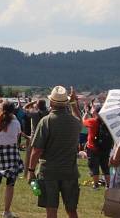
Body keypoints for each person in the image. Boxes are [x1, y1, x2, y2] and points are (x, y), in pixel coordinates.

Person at [27, 86, 83, 218]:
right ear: (66, 103)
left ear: (51, 103)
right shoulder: (74, 122)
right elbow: (79, 120)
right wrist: (74, 104)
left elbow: (37, 150)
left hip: (49, 172)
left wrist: (30, 171)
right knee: (72, 210)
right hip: (70, 172)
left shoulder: (46, 121)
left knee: (51, 210)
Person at [0, 101, 24, 218]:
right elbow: (17, 138)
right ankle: (6, 211)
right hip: (12, 154)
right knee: (10, 184)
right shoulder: (16, 123)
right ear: (13, 111)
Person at [83, 104, 112, 189]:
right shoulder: (108, 123)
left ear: (97, 112)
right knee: (105, 167)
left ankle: (96, 185)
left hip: (93, 148)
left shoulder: (92, 121)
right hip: (105, 148)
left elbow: (83, 121)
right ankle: (108, 185)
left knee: (94, 167)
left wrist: (86, 112)